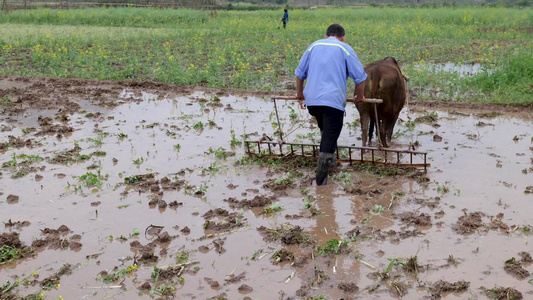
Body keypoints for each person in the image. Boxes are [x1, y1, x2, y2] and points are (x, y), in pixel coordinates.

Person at [295, 24, 367, 185]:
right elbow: (360, 78)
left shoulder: (314, 45)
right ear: (342, 37)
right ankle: (321, 180)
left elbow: (299, 74)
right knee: (330, 133)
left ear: (326, 36)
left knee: (325, 128)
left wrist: (300, 94)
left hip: (313, 102)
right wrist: (359, 97)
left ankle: (331, 160)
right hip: (333, 102)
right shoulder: (344, 48)